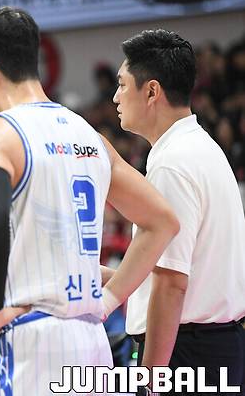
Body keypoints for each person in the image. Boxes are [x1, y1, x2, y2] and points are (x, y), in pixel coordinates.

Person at [0, 6, 180, 395]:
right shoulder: (90, 135)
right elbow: (163, 222)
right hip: (90, 339)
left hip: (28, 336)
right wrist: (110, 298)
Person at [114, 29, 245, 393]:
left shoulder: (173, 164)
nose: (115, 97)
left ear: (151, 91)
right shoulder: (200, 147)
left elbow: (172, 283)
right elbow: (181, 271)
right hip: (210, 345)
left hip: (187, 351)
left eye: (122, 85)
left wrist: (150, 380)